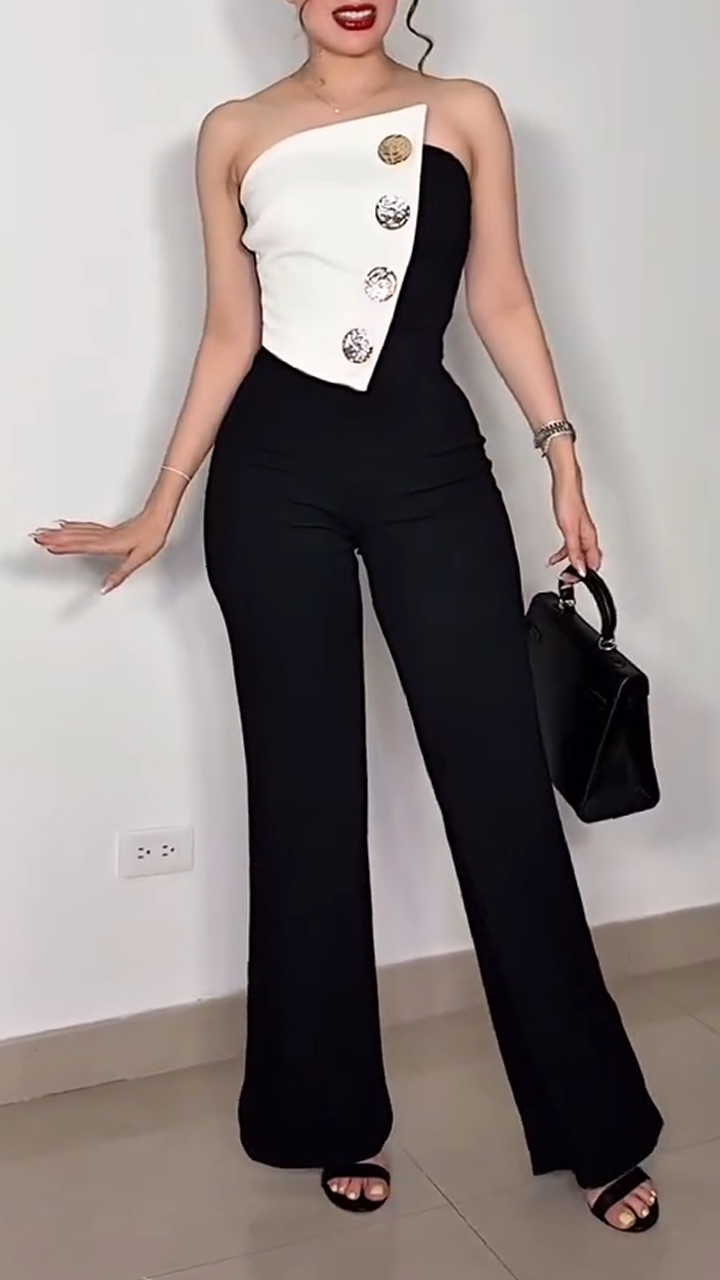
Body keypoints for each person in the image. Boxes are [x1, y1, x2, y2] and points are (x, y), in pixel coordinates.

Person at [33, 0, 663, 1232]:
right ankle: (325, 1113)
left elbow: (501, 298)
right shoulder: (232, 131)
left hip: (432, 467)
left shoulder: (465, 113)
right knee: (304, 796)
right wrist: (162, 500)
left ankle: (594, 1125)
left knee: (498, 787)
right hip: (272, 481)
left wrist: (563, 456)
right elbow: (232, 329)